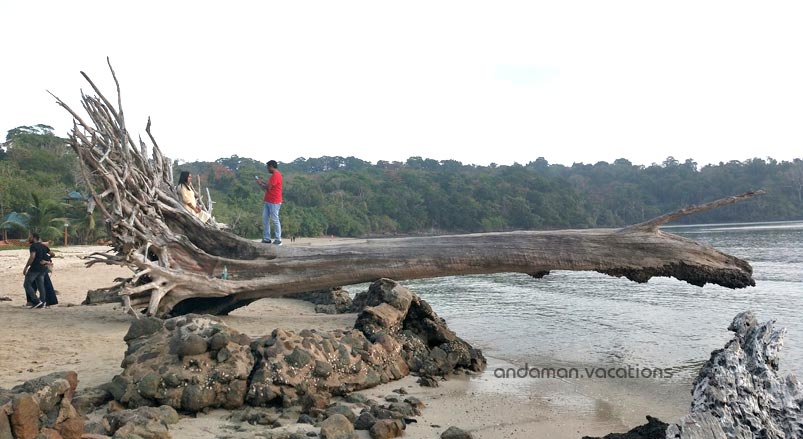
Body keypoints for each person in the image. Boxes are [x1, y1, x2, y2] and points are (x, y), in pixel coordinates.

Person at [23, 232, 53, 309]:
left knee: (26, 284)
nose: (29, 238)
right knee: (40, 285)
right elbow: (52, 254)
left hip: (35, 268)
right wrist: (47, 260)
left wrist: (26, 267)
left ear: (34, 237)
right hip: (43, 268)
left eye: (30, 237)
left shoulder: (33, 246)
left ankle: (36, 301)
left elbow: (32, 257)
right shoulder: (43, 246)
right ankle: (43, 302)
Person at [256, 160, 283, 245]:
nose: (267, 169)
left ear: (271, 166)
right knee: (265, 219)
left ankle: (278, 239)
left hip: (274, 201)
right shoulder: (274, 176)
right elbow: (269, 185)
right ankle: (267, 238)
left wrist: (260, 184)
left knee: (275, 220)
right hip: (268, 200)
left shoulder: (276, 175)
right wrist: (262, 182)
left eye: (268, 167)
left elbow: (268, 188)